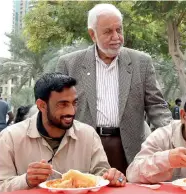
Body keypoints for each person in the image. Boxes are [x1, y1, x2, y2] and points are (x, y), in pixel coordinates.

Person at [56, 4, 172, 174]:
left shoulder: (141, 62)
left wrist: (172, 136)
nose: (116, 37)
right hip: (85, 149)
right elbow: (58, 108)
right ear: (92, 34)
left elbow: (156, 107)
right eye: (108, 31)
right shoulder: (69, 64)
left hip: (130, 149)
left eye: (119, 29)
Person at [0, 73, 126, 192]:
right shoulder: (10, 138)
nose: (71, 111)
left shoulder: (88, 134)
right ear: (41, 105)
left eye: (74, 103)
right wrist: (26, 180)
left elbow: (103, 176)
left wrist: (116, 178)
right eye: (63, 104)